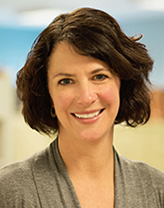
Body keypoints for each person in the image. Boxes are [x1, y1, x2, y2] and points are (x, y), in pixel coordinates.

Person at [0, 7, 163, 208]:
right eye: (66, 81)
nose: (86, 97)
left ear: (123, 84)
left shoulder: (157, 190)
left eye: (99, 77)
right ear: (47, 94)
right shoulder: (9, 191)